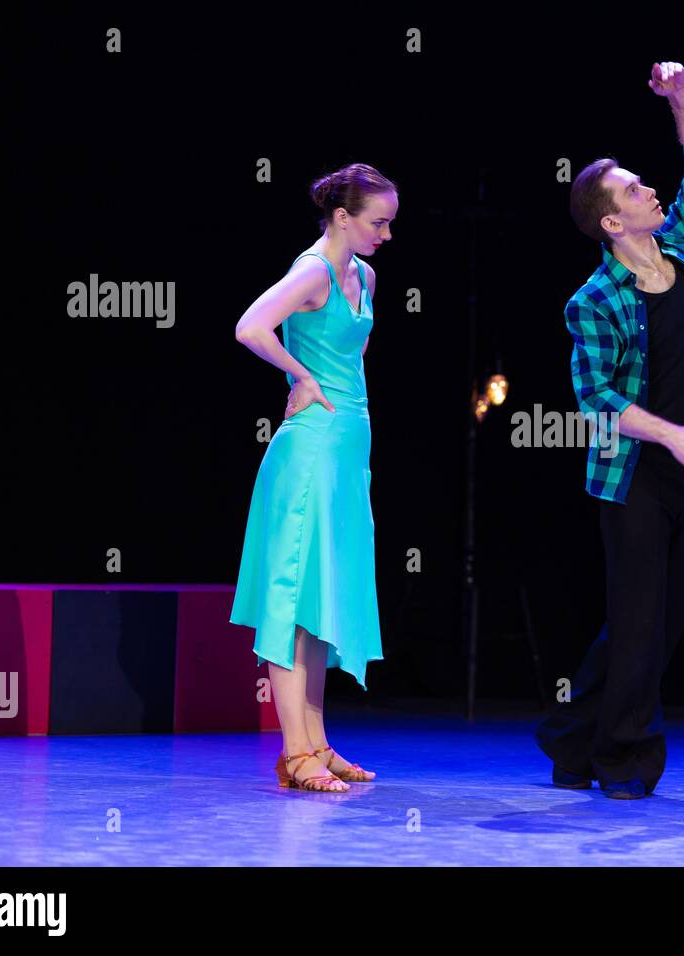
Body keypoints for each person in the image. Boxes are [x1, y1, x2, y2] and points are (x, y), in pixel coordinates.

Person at [535, 62, 684, 799]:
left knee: (660, 625)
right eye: (632, 188)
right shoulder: (592, 299)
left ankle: (567, 738)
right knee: (637, 626)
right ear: (612, 223)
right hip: (633, 477)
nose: (649, 188)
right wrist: (675, 436)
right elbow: (597, 398)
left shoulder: (682, 248)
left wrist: (678, 93)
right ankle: (621, 760)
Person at [230, 163, 398, 792]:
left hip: (348, 447)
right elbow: (250, 326)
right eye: (377, 223)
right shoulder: (313, 272)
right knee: (294, 597)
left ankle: (318, 745)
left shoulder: (367, 275)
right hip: (310, 451)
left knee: (322, 597)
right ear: (342, 217)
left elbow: (349, 358)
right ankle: (294, 752)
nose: (385, 234)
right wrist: (300, 376)